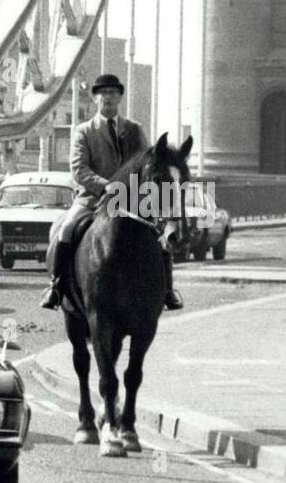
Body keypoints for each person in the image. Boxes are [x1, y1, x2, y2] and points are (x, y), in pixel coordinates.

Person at [41, 72, 182, 311]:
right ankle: (56, 286)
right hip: (92, 198)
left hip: (130, 201)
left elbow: (148, 163)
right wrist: (106, 185)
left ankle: (167, 290)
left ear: (120, 99)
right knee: (66, 229)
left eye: (113, 93)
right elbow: (78, 169)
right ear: (95, 99)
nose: (108, 98)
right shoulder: (84, 131)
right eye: (103, 93)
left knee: (159, 233)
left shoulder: (134, 130)